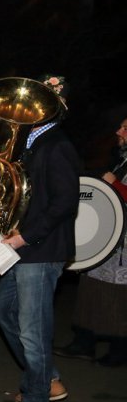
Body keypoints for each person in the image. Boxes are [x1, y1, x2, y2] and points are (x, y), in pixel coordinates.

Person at [0, 75, 78, 402]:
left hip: (38, 249)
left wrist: (24, 237)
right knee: (5, 314)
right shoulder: (27, 143)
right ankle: (47, 379)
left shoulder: (56, 144)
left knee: (33, 329)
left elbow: (65, 202)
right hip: (21, 250)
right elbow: (16, 188)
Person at [54, 115, 127, 367]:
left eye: (125, 128)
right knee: (91, 291)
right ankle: (84, 342)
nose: (118, 131)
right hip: (106, 241)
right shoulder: (121, 160)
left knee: (118, 298)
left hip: (123, 251)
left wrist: (115, 184)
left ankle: (120, 350)